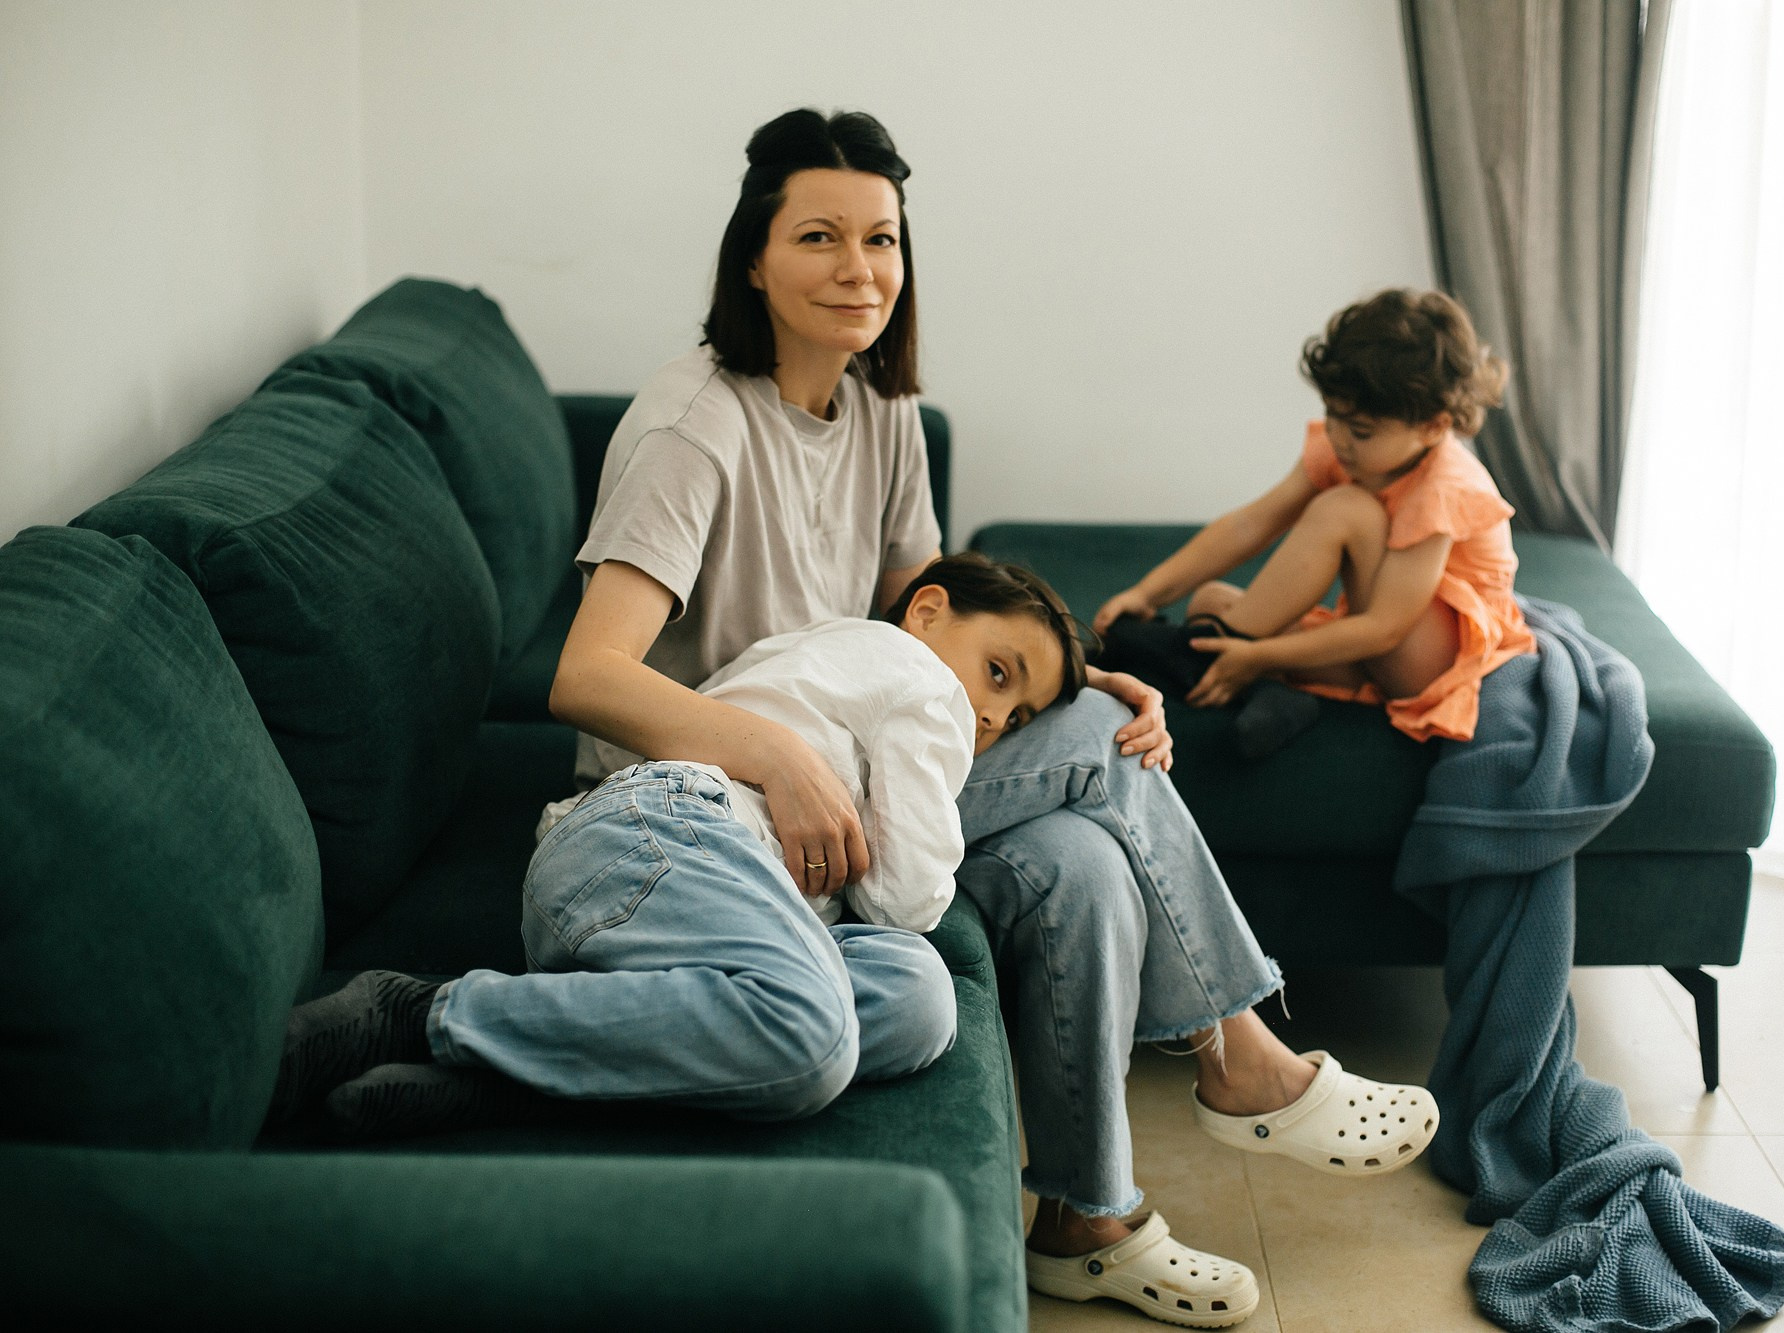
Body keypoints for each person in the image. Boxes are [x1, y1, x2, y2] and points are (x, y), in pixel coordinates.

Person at [287, 108, 1436, 1328]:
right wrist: (777, 756)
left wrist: (1071, 680)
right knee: (1094, 771)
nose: (858, 269)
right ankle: (1239, 1052)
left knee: (1079, 856)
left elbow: (933, 624)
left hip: (842, 796)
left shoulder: (881, 414)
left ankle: (1087, 1219)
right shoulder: (694, 427)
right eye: (820, 237)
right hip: (694, 812)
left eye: (881, 240)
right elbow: (586, 676)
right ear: (752, 259)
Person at [268, 551, 1086, 1133]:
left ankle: (517, 1075)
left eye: (1017, 718)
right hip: (673, 838)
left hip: (626, 884)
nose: (990, 718)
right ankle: (418, 1014)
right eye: (999, 674)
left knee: (919, 999)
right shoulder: (924, 681)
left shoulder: (821, 656)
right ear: (928, 609)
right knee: (813, 1038)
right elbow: (906, 898)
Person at [1095, 288, 1534, 755]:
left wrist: (1259, 653)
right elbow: (1252, 524)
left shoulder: (1446, 487)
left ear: (1433, 426)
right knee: (1212, 600)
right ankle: (1268, 693)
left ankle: (1218, 659)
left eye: (1361, 431)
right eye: (1332, 416)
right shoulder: (1348, 446)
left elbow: (1385, 627)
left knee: (1345, 508)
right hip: (1371, 649)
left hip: (1430, 666)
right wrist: (1149, 592)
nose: (1340, 440)